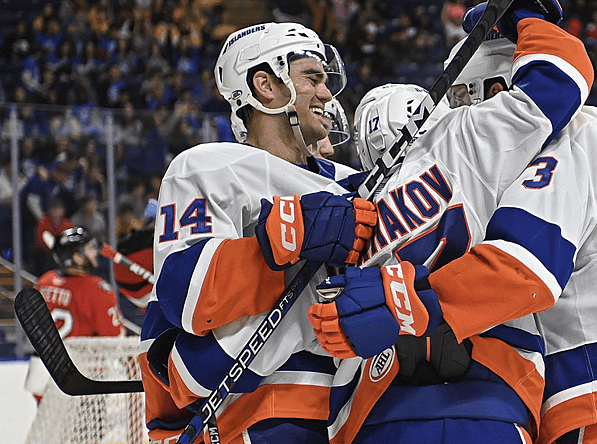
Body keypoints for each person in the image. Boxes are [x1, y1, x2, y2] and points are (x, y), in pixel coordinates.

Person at [311, 8, 597, 444]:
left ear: (499, 87)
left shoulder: (561, 138)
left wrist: (406, 303)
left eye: (465, 98)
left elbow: (524, 269)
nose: (463, 117)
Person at [308, 1, 594, 442]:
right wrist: (526, 16)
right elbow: (562, 78)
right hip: (488, 391)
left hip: (374, 402)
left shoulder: (347, 196)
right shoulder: (466, 136)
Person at [139, 22, 377, 444]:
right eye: (312, 78)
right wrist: (286, 240)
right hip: (251, 419)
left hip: (352, 414)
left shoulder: (352, 184)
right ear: (265, 85)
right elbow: (185, 292)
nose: (327, 93)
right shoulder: (209, 167)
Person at [25, 227, 124, 401]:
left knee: (48, 419)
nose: (94, 252)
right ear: (77, 257)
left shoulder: (45, 281)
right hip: (84, 375)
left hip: (45, 373)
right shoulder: (97, 288)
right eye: (89, 248)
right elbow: (114, 336)